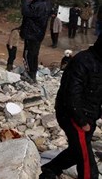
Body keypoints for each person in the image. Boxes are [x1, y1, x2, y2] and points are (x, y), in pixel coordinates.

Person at [39, 35, 102, 179]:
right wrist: (81, 121)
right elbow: (71, 94)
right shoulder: (82, 61)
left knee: (76, 151)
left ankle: (49, 170)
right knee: (87, 164)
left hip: (90, 115)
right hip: (72, 116)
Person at [21, 0, 52, 82]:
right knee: (34, 54)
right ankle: (33, 73)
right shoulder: (46, 5)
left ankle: (30, 75)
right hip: (39, 34)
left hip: (31, 34)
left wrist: (26, 2)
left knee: (28, 54)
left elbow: (25, 12)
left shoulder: (35, 6)